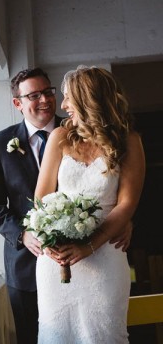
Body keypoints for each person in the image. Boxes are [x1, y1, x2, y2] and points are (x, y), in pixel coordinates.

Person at [34, 65, 145, 343]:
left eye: (69, 97)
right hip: (56, 261)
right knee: (56, 335)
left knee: (105, 333)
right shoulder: (59, 137)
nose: (64, 105)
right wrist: (48, 239)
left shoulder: (129, 142)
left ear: (88, 99)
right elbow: (42, 198)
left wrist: (89, 245)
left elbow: (126, 205)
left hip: (105, 254)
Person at [0, 67, 63, 344]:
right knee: (32, 337)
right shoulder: (0, 143)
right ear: (18, 103)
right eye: (34, 95)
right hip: (25, 266)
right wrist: (22, 234)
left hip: (78, 257)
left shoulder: (77, 132)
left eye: (48, 92)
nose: (45, 100)